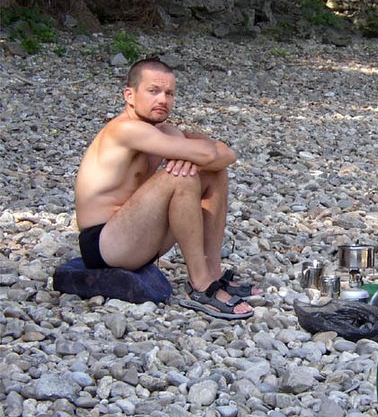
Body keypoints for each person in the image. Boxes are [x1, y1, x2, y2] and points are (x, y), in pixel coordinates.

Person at [74, 58, 260, 320]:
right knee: (180, 176)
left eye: (169, 93)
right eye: (153, 91)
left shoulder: (163, 131)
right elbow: (209, 153)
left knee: (212, 173)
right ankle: (200, 286)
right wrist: (195, 157)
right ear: (129, 95)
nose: (162, 99)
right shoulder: (125, 130)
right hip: (104, 244)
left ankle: (213, 274)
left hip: (138, 235)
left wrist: (196, 157)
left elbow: (226, 155)